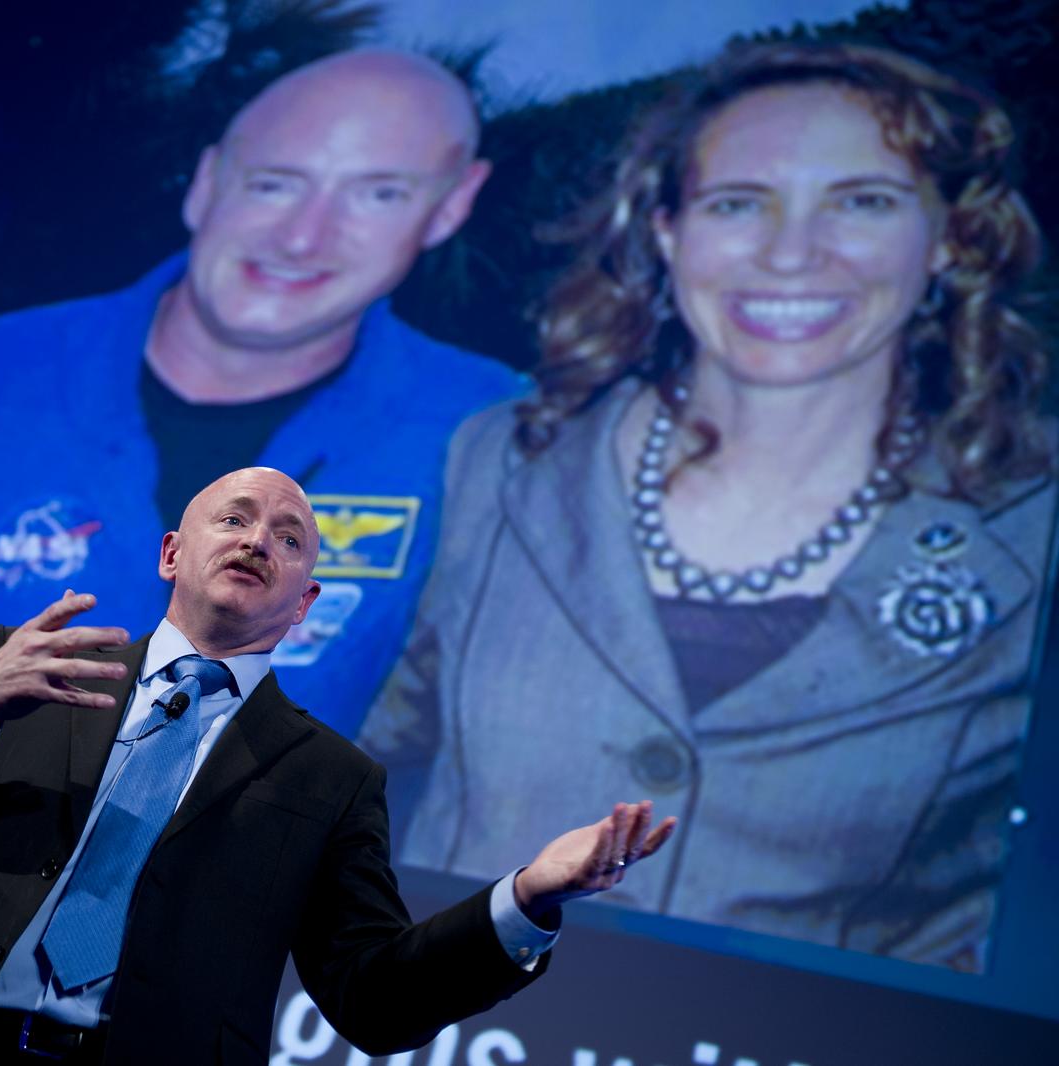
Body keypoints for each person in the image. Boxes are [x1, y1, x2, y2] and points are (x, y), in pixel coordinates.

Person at [357, 42, 1055, 971]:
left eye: (863, 201)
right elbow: (354, 742)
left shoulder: (1032, 530)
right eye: (737, 203)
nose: (792, 252)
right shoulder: (495, 461)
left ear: (950, 240)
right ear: (666, 233)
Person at [0, 49, 522, 766]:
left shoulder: (499, 434)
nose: (302, 237)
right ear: (205, 183)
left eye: (378, 194)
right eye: (273, 183)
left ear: (452, 204)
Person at [0, 466, 676, 1065]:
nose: (258, 538)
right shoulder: (31, 667)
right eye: (233, 519)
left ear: (305, 603)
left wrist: (526, 900)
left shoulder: (331, 779)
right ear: (170, 554)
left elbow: (372, 999)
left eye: (290, 537)